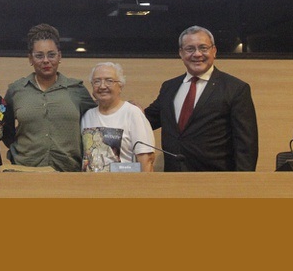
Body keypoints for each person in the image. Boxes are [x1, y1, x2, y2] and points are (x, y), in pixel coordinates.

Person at [143, 25, 258, 171]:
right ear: (181, 53)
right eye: (190, 49)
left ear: (214, 51)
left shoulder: (235, 88)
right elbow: (146, 121)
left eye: (203, 48)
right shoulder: (169, 87)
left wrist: (243, 182)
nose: (197, 54)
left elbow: (246, 145)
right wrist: (121, 109)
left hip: (216, 181)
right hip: (174, 179)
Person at [5, 23, 96, 171]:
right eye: (39, 56)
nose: (46, 60)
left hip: (69, 172)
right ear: (30, 59)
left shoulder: (76, 90)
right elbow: (6, 129)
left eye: (51, 54)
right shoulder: (16, 90)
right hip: (25, 171)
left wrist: (126, 106)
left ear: (59, 56)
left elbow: (98, 117)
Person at [80, 62, 155, 172]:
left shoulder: (132, 113)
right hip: (91, 186)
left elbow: (146, 160)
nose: (102, 86)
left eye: (109, 81)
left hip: (124, 186)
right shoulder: (87, 116)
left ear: (120, 86)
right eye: (97, 81)